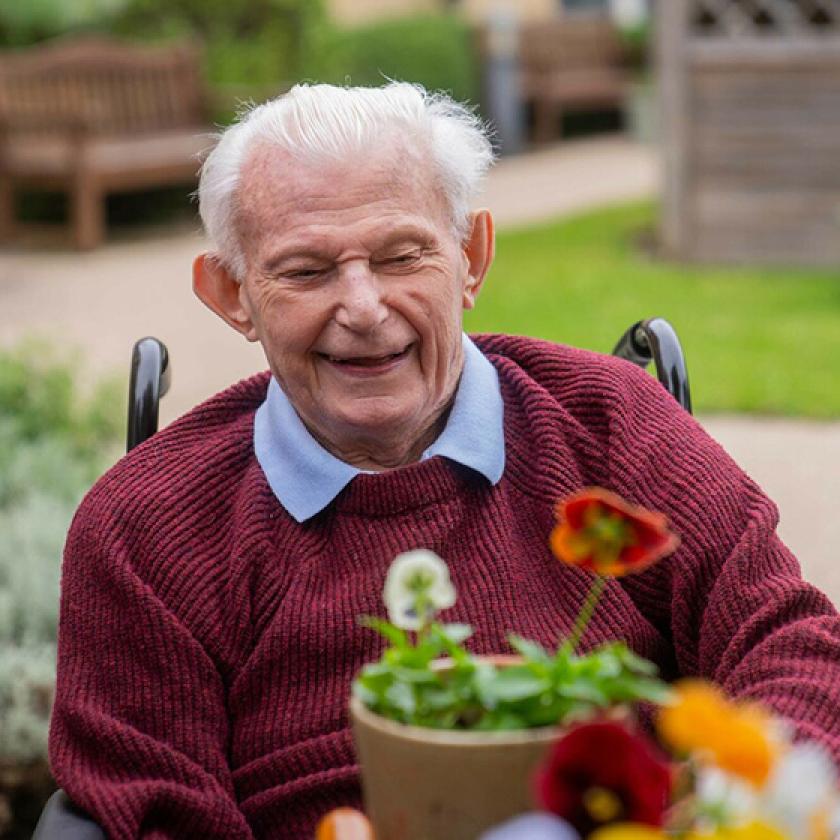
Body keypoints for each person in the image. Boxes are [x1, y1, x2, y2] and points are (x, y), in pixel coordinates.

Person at [49, 83, 840, 839]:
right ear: (230, 294)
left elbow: (790, 645)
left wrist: (729, 814)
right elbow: (155, 814)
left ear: (470, 256)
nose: (363, 308)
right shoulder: (145, 529)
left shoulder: (610, 424)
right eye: (306, 270)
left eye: (401, 256)